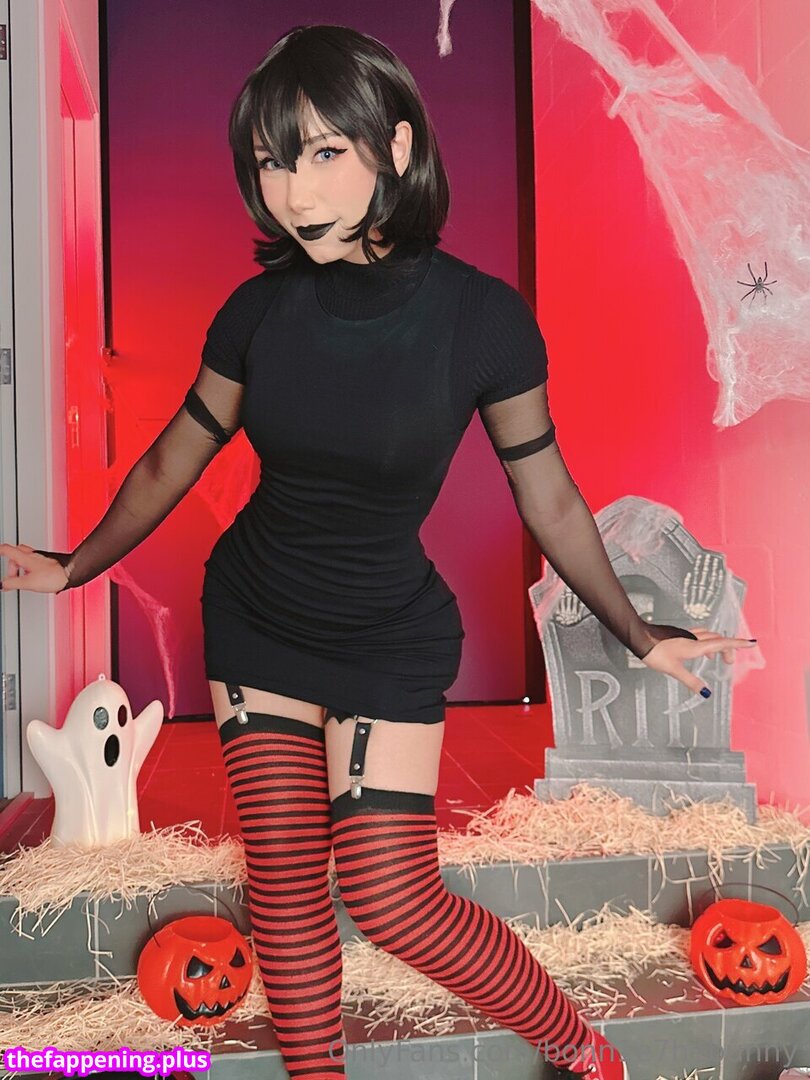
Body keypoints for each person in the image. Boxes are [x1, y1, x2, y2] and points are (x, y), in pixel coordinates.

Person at [0, 23, 757, 1080]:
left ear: (395, 147)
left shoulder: (483, 321)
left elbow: (547, 497)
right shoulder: (256, 314)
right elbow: (175, 456)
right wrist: (74, 565)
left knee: (392, 895)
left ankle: (585, 1050)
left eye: (322, 152)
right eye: (271, 161)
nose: (293, 191)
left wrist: (639, 633)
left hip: (388, 631)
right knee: (285, 889)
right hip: (259, 617)